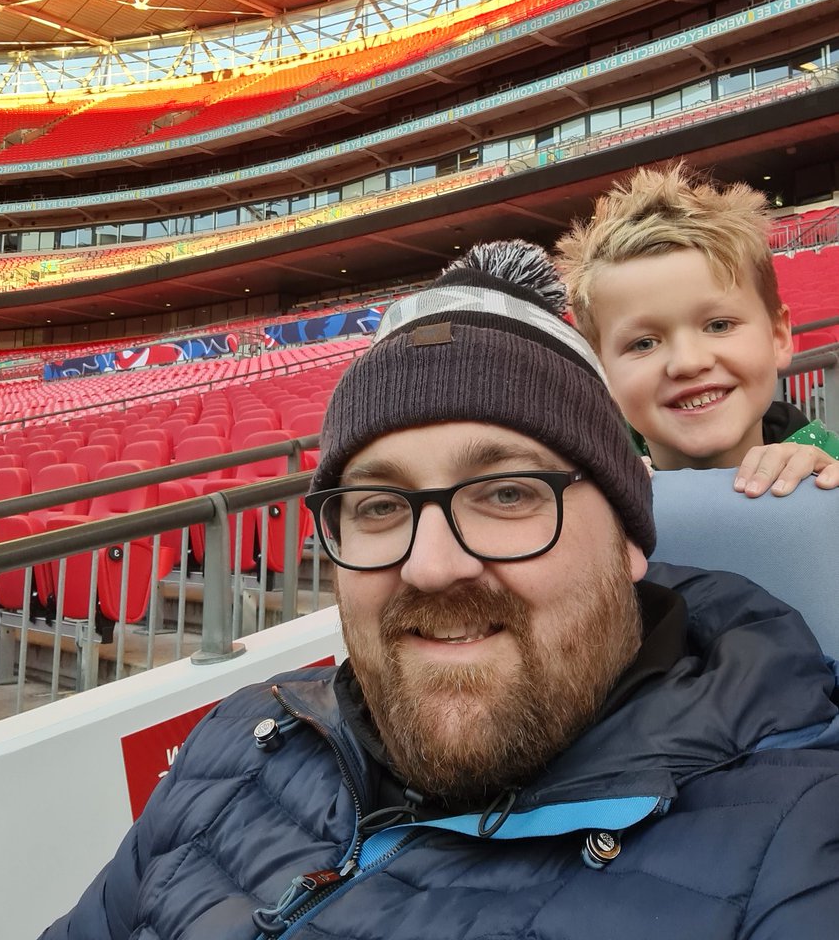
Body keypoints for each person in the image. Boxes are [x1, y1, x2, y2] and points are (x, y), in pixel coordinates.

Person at [41, 241, 839, 939]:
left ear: (631, 536)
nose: (429, 565)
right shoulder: (237, 738)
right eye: (381, 506)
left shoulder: (792, 844)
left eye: (508, 494)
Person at [556, 162, 839, 496]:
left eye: (719, 325)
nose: (688, 363)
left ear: (778, 337)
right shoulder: (581, 503)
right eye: (644, 344)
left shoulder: (830, 472)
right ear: (601, 373)